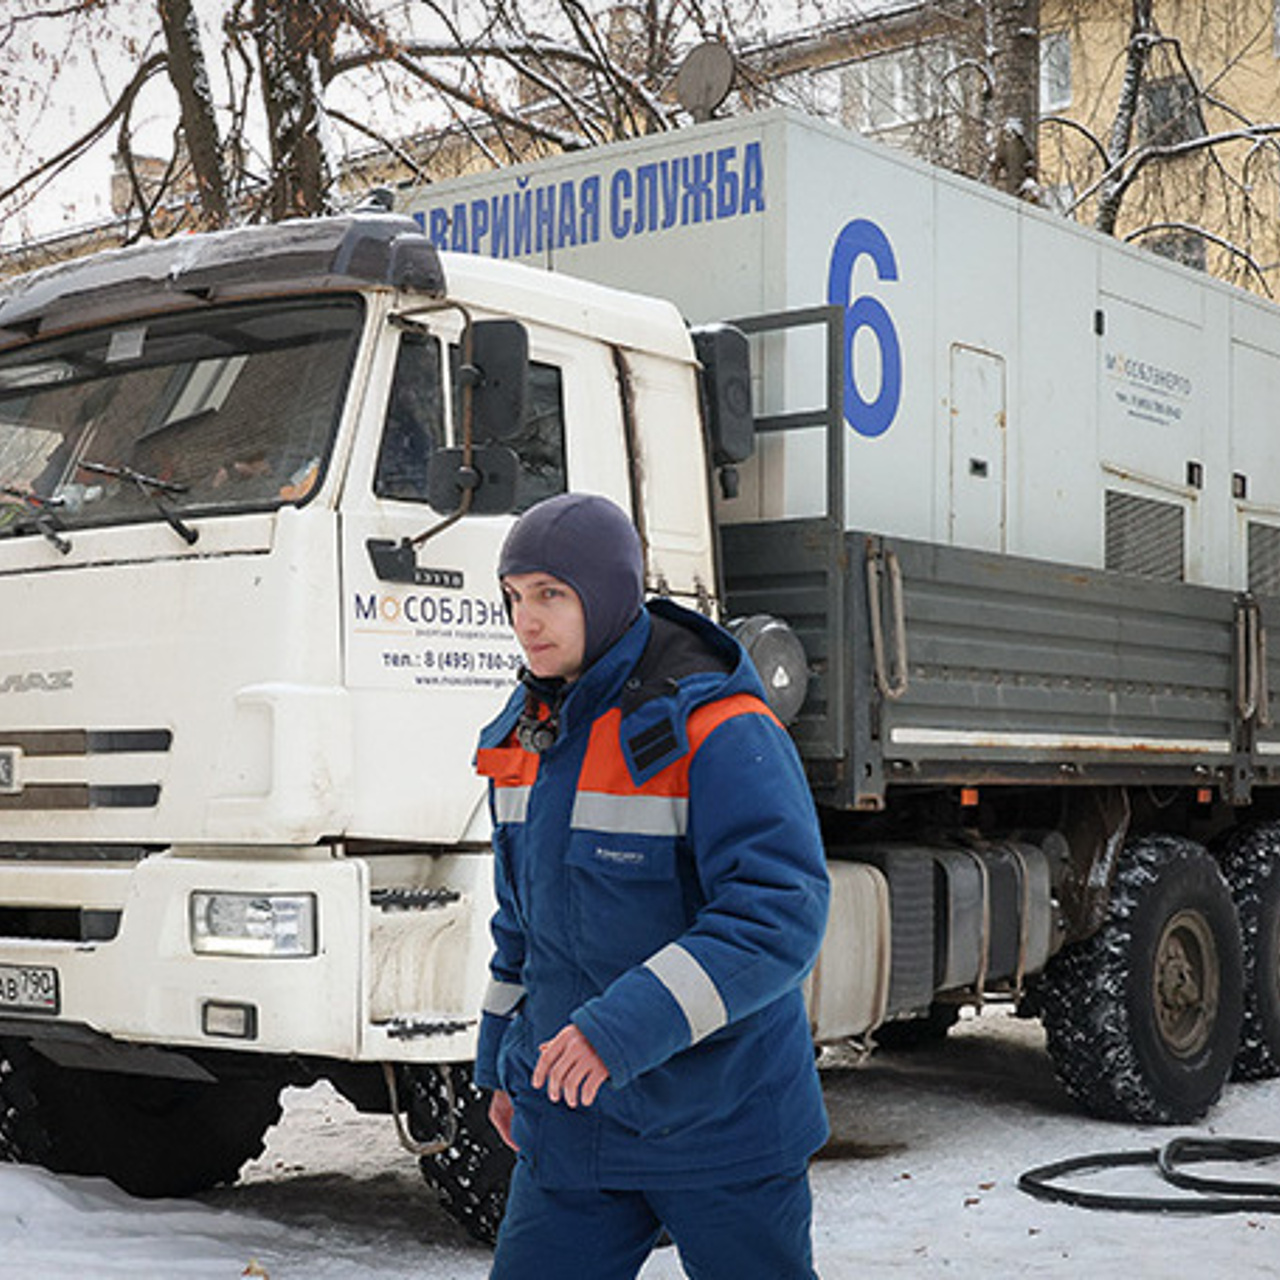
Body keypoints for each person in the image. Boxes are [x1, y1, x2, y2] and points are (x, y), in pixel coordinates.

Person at [474, 492, 831, 1280]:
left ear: (605, 595)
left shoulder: (719, 728)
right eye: (513, 597)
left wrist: (617, 1032)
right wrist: (503, 1063)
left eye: (549, 595)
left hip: (722, 1125)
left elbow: (778, 915)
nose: (526, 620)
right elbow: (522, 925)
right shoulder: (524, 735)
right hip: (574, 1125)